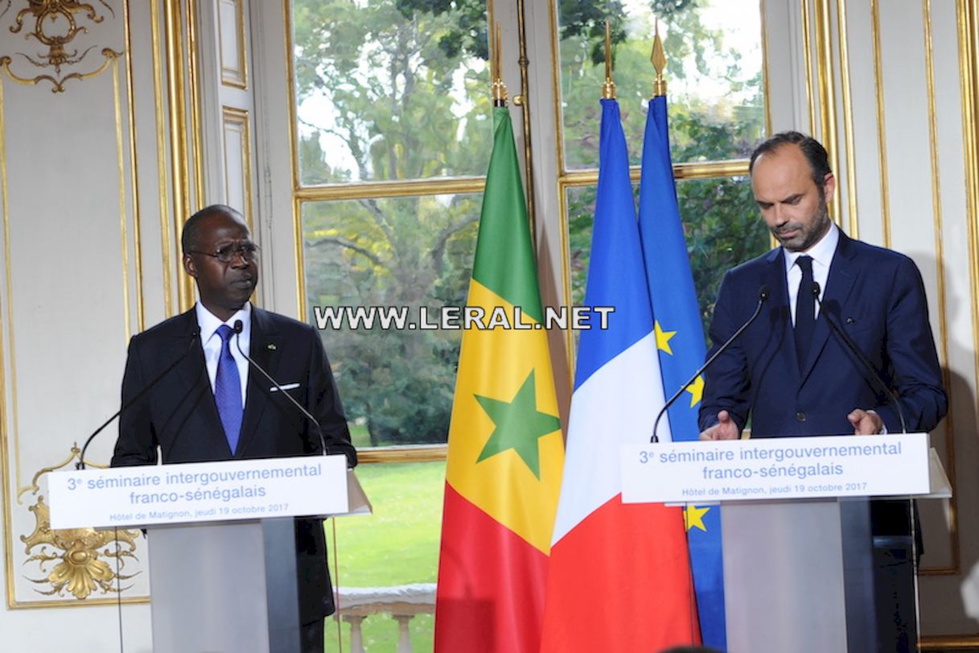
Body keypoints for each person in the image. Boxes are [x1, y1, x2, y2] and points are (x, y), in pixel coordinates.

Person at [697, 131, 947, 651]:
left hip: (870, 520)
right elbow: (721, 393)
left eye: (792, 200)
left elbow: (926, 393)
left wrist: (881, 421)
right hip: (770, 527)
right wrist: (717, 422)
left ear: (827, 186)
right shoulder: (742, 286)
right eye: (765, 205)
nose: (778, 218)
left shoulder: (888, 274)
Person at [111, 204, 357, 653]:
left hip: (291, 574)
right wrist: (171, 530)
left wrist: (299, 501)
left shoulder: (298, 342)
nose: (241, 262)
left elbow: (336, 447)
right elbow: (132, 458)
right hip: (195, 578)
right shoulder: (153, 352)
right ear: (192, 264)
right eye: (225, 251)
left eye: (247, 249)